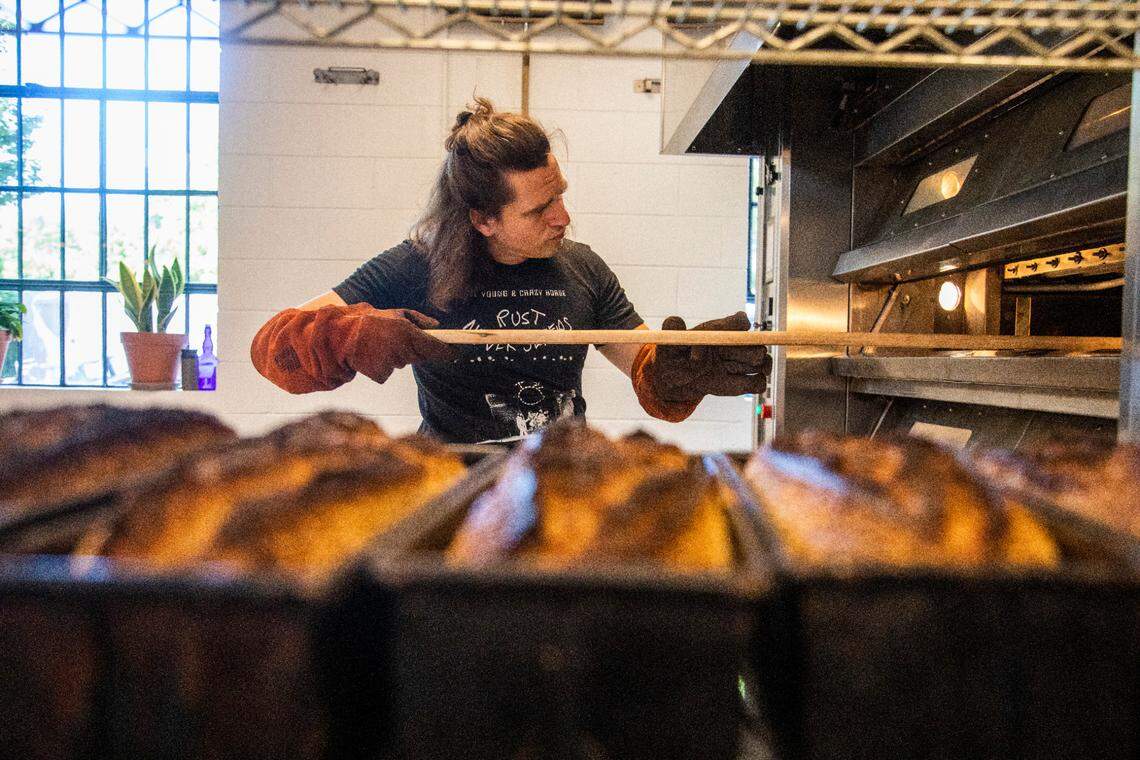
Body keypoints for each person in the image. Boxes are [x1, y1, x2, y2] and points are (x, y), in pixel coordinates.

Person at [250, 98, 769, 444]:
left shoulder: (583, 267)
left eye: (560, 195)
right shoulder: (416, 266)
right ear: (483, 220)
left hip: (561, 484)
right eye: (538, 210)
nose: (563, 217)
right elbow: (269, 349)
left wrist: (676, 373)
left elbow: (643, 361)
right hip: (458, 492)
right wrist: (348, 336)